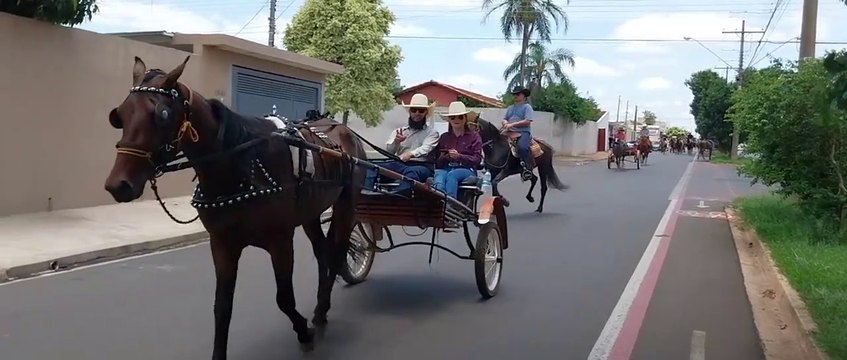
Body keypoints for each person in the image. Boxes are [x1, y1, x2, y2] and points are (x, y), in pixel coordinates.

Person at [363, 93, 439, 194]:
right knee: (372, 167)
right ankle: (366, 193)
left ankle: (396, 196)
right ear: (410, 112)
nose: (417, 113)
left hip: (422, 166)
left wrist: (410, 154)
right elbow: (389, 151)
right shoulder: (399, 131)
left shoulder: (432, 133)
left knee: (412, 173)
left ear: (425, 112)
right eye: (414, 110)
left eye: (421, 110)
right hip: (399, 164)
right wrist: (396, 141)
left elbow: (426, 148)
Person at [432, 102, 483, 200]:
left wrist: (460, 156)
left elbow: (477, 159)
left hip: (467, 169)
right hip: (446, 168)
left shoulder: (474, 136)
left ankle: (451, 204)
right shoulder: (444, 137)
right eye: (453, 117)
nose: (456, 120)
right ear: (449, 120)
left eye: (460, 117)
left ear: (465, 119)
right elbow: (437, 161)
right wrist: (447, 157)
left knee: (452, 175)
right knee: (439, 177)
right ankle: (440, 203)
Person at [502, 86, 536, 181]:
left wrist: (512, 124)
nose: (515, 96)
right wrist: (505, 122)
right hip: (509, 131)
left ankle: (527, 168)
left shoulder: (527, 107)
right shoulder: (510, 108)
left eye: (517, 94)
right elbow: (504, 118)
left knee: (522, 147)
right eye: (514, 94)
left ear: (523, 95)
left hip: (523, 132)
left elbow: (528, 121)